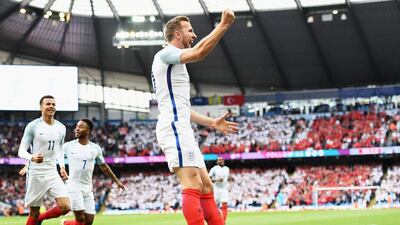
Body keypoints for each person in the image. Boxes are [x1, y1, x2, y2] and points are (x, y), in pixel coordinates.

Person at [151, 9, 238, 225]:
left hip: (180, 125)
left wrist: (211, 122)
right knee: (193, 185)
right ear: (177, 35)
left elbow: (181, 107)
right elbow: (199, 53)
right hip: (173, 127)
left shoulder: (173, 63)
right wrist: (223, 26)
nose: (194, 34)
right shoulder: (165, 54)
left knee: (206, 186)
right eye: (190, 30)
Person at [18, 95, 70, 225]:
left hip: (52, 172)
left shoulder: (61, 128)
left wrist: (62, 167)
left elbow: (59, 149)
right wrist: (32, 157)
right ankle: (37, 218)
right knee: (34, 213)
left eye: (53, 104)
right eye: (48, 104)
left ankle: (41, 218)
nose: (51, 106)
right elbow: (21, 151)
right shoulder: (33, 126)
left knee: (66, 207)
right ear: (41, 107)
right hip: (36, 173)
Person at [61, 118, 125, 225]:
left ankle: (66, 223)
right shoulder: (68, 146)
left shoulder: (95, 148)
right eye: (77, 126)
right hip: (73, 186)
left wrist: (117, 181)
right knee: (80, 219)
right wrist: (62, 168)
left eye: (81, 127)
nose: (77, 128)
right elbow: (55, 156)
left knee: (89, 221)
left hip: (87, 187)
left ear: (88, 131)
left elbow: (104, 167)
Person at [209, 157, 230, 224]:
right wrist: (217, 180)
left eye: (222, 160)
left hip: (224, 188)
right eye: (219, 160)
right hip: (216, 189)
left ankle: (223, 222)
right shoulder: (214, 169)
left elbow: (225, 178)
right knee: (214, 206)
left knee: (224, 204)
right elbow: (209, 179)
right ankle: (214, 221)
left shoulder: (227, 168)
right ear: (217, 162)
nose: (221, 161)